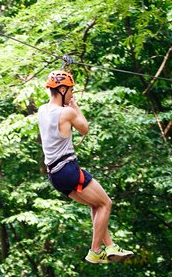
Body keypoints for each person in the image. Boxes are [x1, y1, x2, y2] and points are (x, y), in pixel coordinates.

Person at [38, 69, 133, 264]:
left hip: (55, 176)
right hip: (68, 170)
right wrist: (76, 106)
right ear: (62, 89)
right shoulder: (67, 111)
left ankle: (110, 246)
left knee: (96, 204)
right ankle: (95, 250)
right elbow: (85, 129)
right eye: (71, 90)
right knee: (106, 203)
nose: (72, 94)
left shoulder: (42, 110)